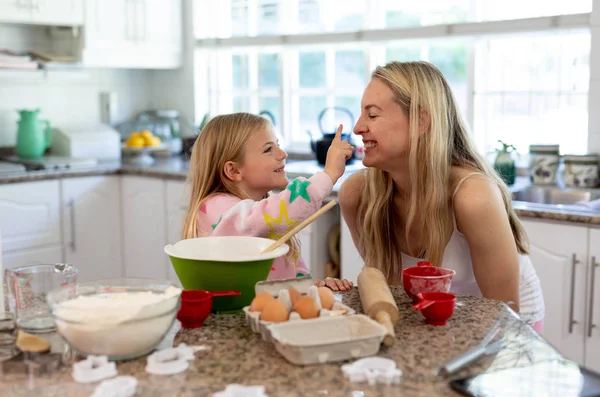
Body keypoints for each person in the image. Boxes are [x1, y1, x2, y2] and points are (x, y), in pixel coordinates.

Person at [339, 61, 545, 331]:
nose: (357, 128)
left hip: (510, 324)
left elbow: (502, 315)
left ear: (421, 121)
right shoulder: (357, 195)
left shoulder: (472, 196)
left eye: (373, 115)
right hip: (436, 318)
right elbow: (385, 291)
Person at [182, 112, 354, 291]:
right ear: (233, 170)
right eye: (268, 149)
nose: (282, 153)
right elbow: (279, 211)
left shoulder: (266, 217)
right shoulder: (216, 207)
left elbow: (289, 276)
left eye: (278, 145)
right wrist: (329, 174)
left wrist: (310, 287)